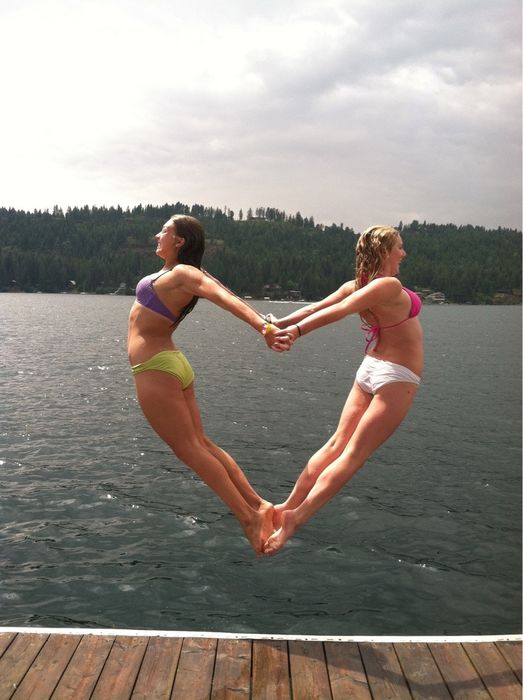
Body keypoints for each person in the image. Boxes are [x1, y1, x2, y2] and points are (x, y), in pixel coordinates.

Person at [127, 214, 289, 555]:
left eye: (165, 231)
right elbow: (226, 291)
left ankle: (247, 517)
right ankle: (259, 505)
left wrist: (263, 328)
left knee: (190, 449)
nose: (158, 235)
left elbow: (221, 297)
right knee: (201, 443)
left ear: (180, 241)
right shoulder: (179, 273)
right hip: (171, 363)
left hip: (156, 366)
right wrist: (262, 322)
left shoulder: (184, 273)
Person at [263, 225, 423, 555]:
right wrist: (292, 331)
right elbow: (336, 311)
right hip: (396, 375)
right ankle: (295, 517)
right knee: (351, 455)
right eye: (399, 248)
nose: (403, 253)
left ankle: (284, 508)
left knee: (336, 443)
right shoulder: (388, 285)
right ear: (383, 252)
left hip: (370, 368)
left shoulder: (357, 285)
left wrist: (280, 323)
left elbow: (315, 307)